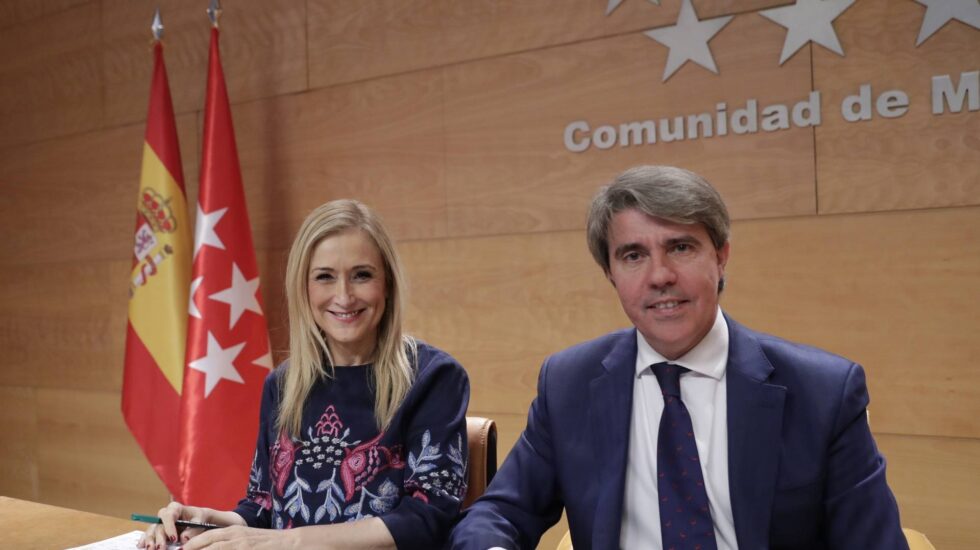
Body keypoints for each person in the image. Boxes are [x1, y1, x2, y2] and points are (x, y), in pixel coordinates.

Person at [449, 166, 908, 549]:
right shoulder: (569, 382)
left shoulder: (823, 391)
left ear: (721, 256)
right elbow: (502, 511)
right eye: (633, 255)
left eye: (680, 247)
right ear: (610, 273)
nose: (660, 276)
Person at [139, 199, 469, 550]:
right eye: (325, 277)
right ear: (304, 288)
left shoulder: (434, 378)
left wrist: (289, 542)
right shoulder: (282, 384)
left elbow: (428, 519)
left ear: (386, 284)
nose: (343, 296)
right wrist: (208, 522)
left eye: (362, 275)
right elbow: (264, 507)